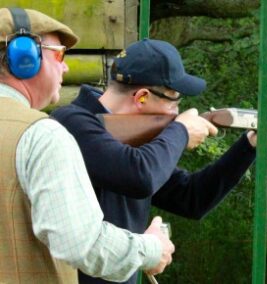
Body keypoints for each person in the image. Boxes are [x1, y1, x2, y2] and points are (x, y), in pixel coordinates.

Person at [52, 39, 267, 284]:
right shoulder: (72, 123)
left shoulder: (132, 144)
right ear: (141, 97)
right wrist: (181, 131)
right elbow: (139, 176)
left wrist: (249, 146)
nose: (176, 112)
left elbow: (192, 198)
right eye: (175, 100)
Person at [0, 8, 174, 284]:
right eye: (58, 54)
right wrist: (152, 248)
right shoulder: (41, 135)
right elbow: (83, 244)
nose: (65, 66)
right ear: (24, 58)